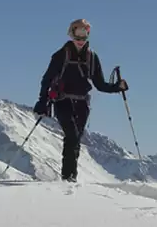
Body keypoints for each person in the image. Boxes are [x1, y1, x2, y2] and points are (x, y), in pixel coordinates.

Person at [34, 19, 128, 181]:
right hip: (62, 101)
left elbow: (99, 84)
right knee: (71, 135)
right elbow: (47, 79)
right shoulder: (60, 55)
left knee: (75, 139)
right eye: (78, 33)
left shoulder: (92, 57)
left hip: (82, 104)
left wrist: (116, 87)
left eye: (84, 33)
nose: (81, 38)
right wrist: (42, 100)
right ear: (72, 33)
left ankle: (71, 177)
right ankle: (68, 177)